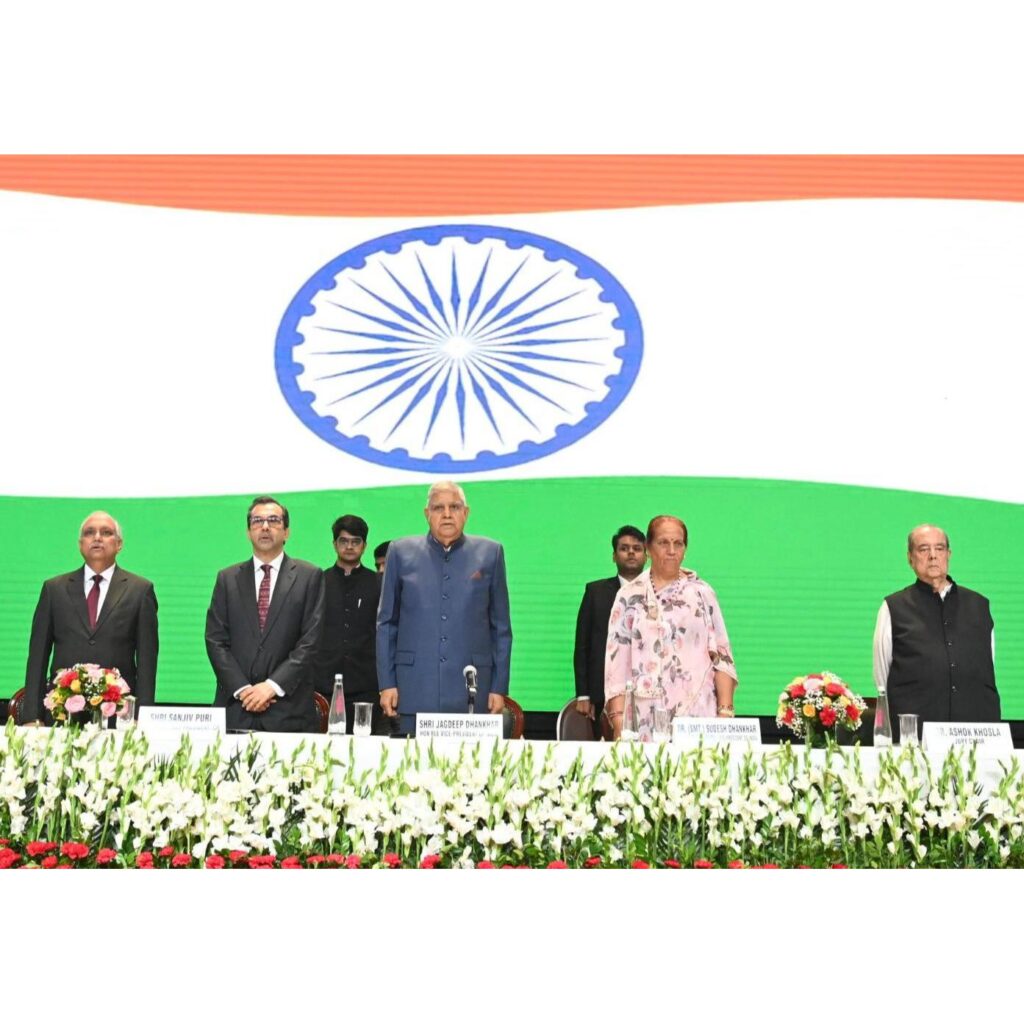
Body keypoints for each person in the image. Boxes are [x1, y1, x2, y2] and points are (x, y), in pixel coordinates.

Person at [376, 481, 512, 736]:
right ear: (427, 514)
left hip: (473, 691)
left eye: (455, 507)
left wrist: (498, 687)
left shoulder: (490, 553)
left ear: (466, 513)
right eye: (439, 508)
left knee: (470, 763)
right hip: (412, 688)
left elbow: (501, 628)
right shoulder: (400, 552)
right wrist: (387, 683)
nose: (447, 514)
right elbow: (386, 624)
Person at [604, 515, 738, 739]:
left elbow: (722, 657)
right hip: (642, 721)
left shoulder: (702, 593)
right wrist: (619, 722)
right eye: (663, 543)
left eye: (678, 543)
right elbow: (616, 666)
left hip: (698, 717)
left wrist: (725, 713)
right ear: (648, 548)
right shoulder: (629, 596)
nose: (672, 551)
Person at [21, 511, 159, 725]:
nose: (97, 537)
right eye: (89, 532)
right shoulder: (54, 589)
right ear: (80, 544)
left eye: (106, 532)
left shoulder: (140, 590)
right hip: (62, 714)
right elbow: (38, 657)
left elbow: (147, 662)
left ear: (119, 544)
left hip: (118, 716)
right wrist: (32, 716)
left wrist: (143, 719)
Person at [205, 496, 325, 732]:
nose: (265, 526)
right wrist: (243, 690)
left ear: (287, 531)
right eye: (257, 521)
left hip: (289, 711)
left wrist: (271, 686)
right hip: (236, 709)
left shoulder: (309, 576)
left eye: (274, 520)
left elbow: (310, 642)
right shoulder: (227, 578)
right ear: (248, 532)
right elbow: (215, 640)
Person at [873, 524, 999, 736]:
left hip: (974, 734)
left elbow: (987, 665)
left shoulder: (979, 605)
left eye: (939, 548)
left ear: (948, 554)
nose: (933, 556)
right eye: (923, 549)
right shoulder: (893, 607)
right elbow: (882, 676)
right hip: (915, 735)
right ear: (910, 558)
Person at [572, 525, 647, 732]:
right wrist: (583, 694)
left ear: (646, 556)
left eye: (637, 548)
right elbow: (583, 646)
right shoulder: (595, 592)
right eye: (624, 548)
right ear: (614, 556)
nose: (631, 553)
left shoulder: (657, 593)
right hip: (602, 692)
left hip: (647, 691)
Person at [314, 514, 384, 734]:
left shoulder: (378, 583)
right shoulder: (318, 581)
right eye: (343, 541)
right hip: (323, 685)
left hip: (367, 685)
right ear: (334, 544)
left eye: (356, 541)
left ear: (364, 546)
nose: (350, 546)